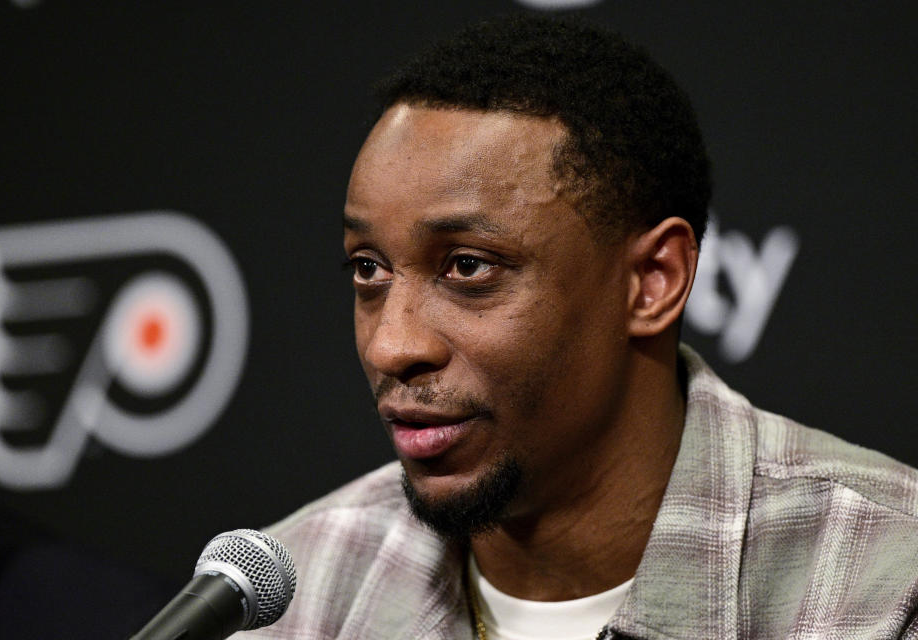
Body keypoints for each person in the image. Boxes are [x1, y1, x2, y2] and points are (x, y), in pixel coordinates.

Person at [237, 15, 918, 639]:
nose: (393, 345)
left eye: (468, 267)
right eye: (369, 270)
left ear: (653, 282)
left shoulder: (884, 590)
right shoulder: (295, 597)